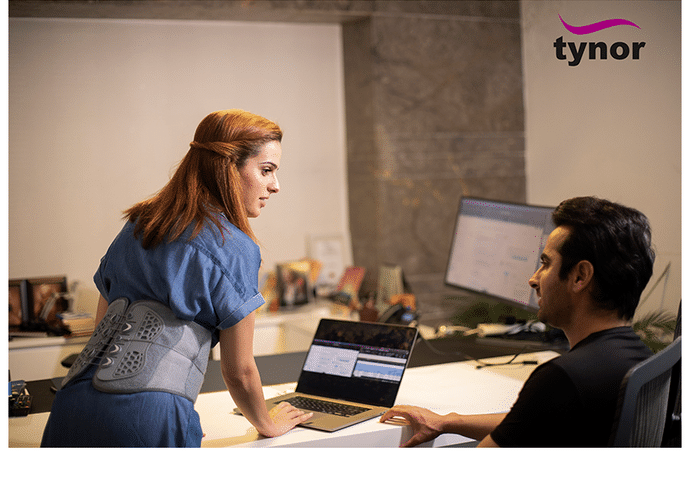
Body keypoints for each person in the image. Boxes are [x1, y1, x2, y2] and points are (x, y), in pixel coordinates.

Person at [41, 109, 312, 447]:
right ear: (228, 167)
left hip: (72, 404)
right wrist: (268, 424)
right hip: (146, 416)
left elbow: (102, 329)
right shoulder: (234, 246)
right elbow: (239, 372)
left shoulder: (140, 223)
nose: (275, 185)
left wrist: (174, 410)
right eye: (266, 170)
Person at [380, 196, 656, 447]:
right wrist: (448, 422)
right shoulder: (641, 360)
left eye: (546, 263)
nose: (533, 279)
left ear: (580, 276)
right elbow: (529, 422)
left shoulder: (562, 379)